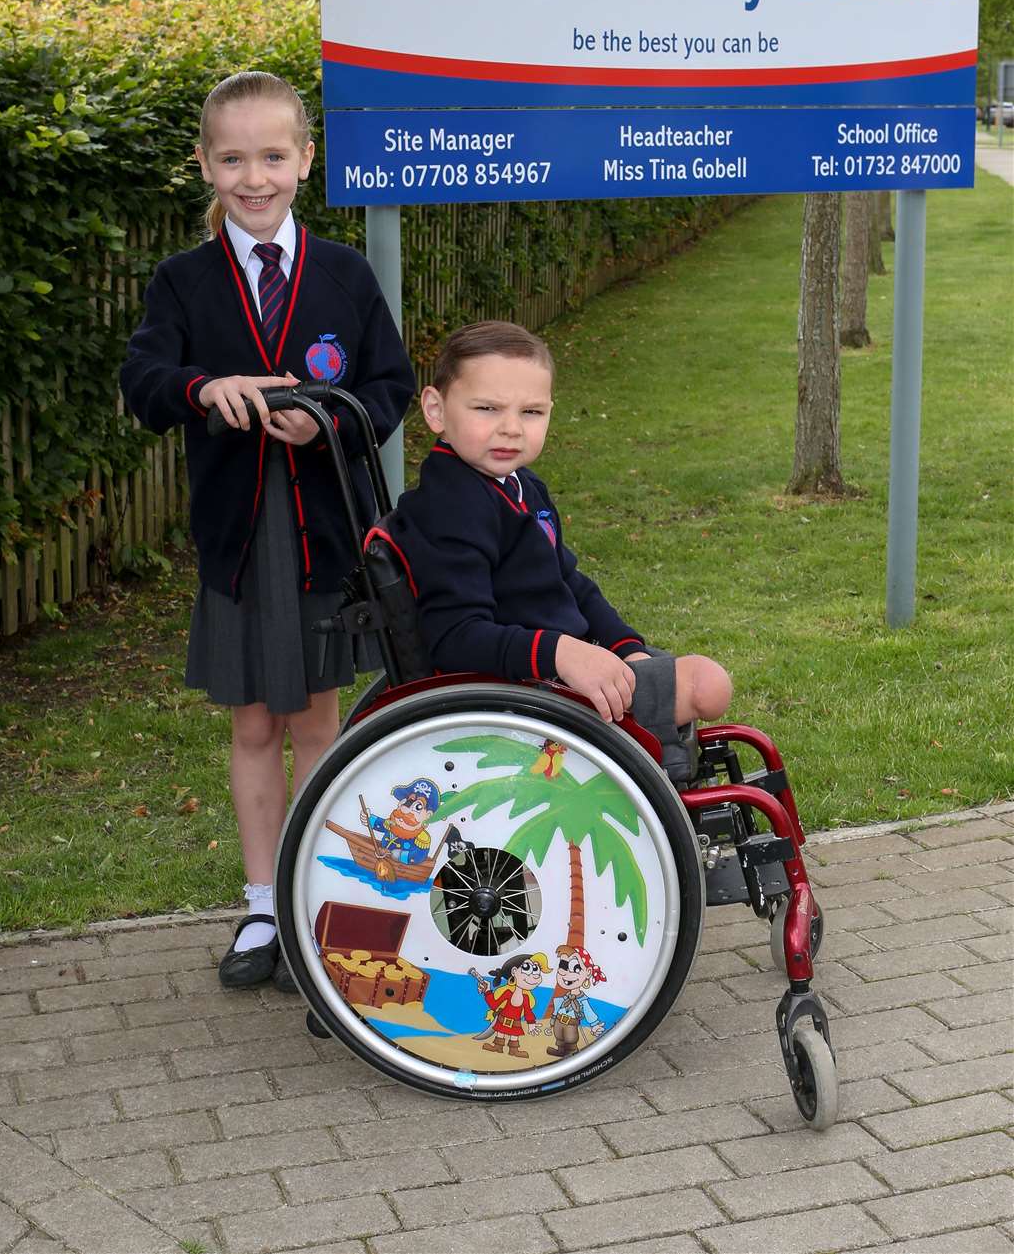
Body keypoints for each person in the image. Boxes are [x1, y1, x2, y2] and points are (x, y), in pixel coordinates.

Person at [121, 71, 415, 991]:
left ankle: (319, 898)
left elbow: (391, 387)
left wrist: (329, 419)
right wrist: (202, 388)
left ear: (305, 160)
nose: (256, 178)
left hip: (325, 535)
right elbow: (145, 381)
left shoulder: (344, 275)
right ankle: (261, 905)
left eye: (274, 156)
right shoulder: (183, 281)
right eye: (235, 158)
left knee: (319, 719)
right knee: (255, 722)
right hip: (241, 544)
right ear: (206, 165)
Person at [390, 320, 732, 783]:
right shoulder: (452, 506)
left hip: (562, 670)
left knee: (671, 673)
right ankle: (656, 762)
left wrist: (624, 645)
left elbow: (569, 583)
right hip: (525, 693)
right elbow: (455, 637)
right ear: (436, 409)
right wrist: (560, 653)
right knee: (708, 686)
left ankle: (659, 754)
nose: (510, 429)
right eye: (487, 408)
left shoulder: (521, 486)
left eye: (531, 412)